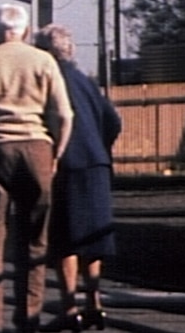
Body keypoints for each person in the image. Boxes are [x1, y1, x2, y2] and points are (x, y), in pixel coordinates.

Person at [0, 4, 74, 333]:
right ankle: (28, 319)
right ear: (24, 30)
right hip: (38, 149)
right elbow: (65, 115)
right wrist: (55, 154)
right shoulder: (44, 61)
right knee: (35, 241)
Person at [35, 24, 121, 332]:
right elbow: (112, 119)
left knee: (65, 237)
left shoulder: (48, 79)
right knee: (93, 236)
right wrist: (100, 146)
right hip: (95, 163)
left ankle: (70, 307)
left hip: (66, 164)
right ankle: (94, 303)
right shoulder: (86, 81)